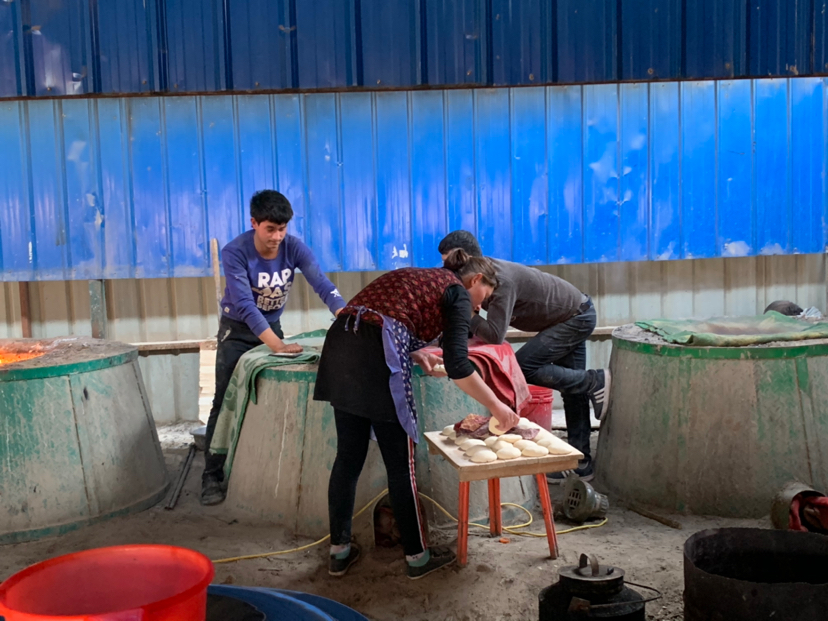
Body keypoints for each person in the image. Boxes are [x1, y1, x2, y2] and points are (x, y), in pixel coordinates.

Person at [313, 249, 519, 579]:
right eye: (484, 298)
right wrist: (498, 406)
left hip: (341, 342)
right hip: (375, 351)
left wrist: (412, 351)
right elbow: (458, 365)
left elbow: (383, 316)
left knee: (348, 457)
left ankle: (338, 553)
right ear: (476, 280)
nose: (479, 308)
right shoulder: (456, 291)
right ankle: (417, 557)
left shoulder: (423, 276)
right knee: (400, 464)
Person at [201, 190, 346, 506]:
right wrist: (278, 345)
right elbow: (245, 305)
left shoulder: (294, 248)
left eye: (282, 229)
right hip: (237, 332)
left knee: (265, 396)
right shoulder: (235, 252)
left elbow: (322, 284)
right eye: (270, 229)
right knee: (223, 400)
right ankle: (211, 475)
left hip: (271, 327)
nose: (277, 237)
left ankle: (256, 466)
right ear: (254, 223)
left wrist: (344, 314)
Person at [437, 230, 610, 483]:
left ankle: (595, 381)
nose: (448, 269)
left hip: (576, 316)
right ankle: (581, 463)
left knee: (522, 367)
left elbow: (494, 334)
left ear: (471, 262)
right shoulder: (480, 277)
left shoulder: (500, 281)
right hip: (564, 316)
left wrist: (469, 316)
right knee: (572, 389)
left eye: (452, 260)